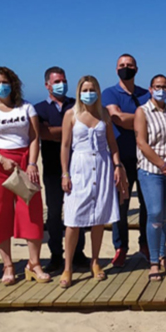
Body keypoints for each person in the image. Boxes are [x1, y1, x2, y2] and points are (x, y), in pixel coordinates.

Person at [0, 67, 49, 285]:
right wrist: (1, 160)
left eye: (4, 82)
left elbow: (34, 137)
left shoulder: (26, 107)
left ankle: (34, 263)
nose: (1, 86)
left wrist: (33, 163)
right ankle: (7, 264)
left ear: (13, 84)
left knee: (31, 212)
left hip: (24, 162)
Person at [59, 76, 126, 289]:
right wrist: (65, 174)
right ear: (79, 92)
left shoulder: (104, 114)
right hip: (79, 168)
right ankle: (67, 266)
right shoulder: (71, 114)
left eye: (92, 89)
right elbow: (65, 146)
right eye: (85, 89)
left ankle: (95, 261)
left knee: (99, 217)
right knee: (73, 220)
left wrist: (117, 165)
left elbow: (112, 143)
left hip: (103, 167)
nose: (89, 93)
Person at [34, 66, 86, 273]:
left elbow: (86, 127)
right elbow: (43, 133)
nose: (61, 85)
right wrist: (70, 129)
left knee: (78, 212)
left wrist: (60, 132)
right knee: (54, 212)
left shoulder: (77, 106)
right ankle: (56, 255)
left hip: (78, 166)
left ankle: (78, 253)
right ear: (47, 85)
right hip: (53, 168)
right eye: (56, 82)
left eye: (63, 81)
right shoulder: (39, 109)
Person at [101, 54, 151, 268]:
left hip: (146, 158)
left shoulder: (146, 94)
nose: (126, 68)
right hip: (120, 158)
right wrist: (144, 119)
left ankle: (146, 244)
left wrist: (134, 120)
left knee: (148, 204)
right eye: (122, 65)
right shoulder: (109, 93)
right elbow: (116, 118)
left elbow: (154, 117)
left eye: (129, 65)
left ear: (137, 69)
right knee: (121, 205)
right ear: (116, 69)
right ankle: (120, 247)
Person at [134, 74, 166, 280]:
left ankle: (163, 256)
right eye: (157, 86)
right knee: (154, 213)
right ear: (150, 88)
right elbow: (142, 143)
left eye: (164, 86)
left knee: (165, 216)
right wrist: (162, 164)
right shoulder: (142, 111)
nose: (160, 90)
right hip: (151, 171)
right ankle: (153, 261)